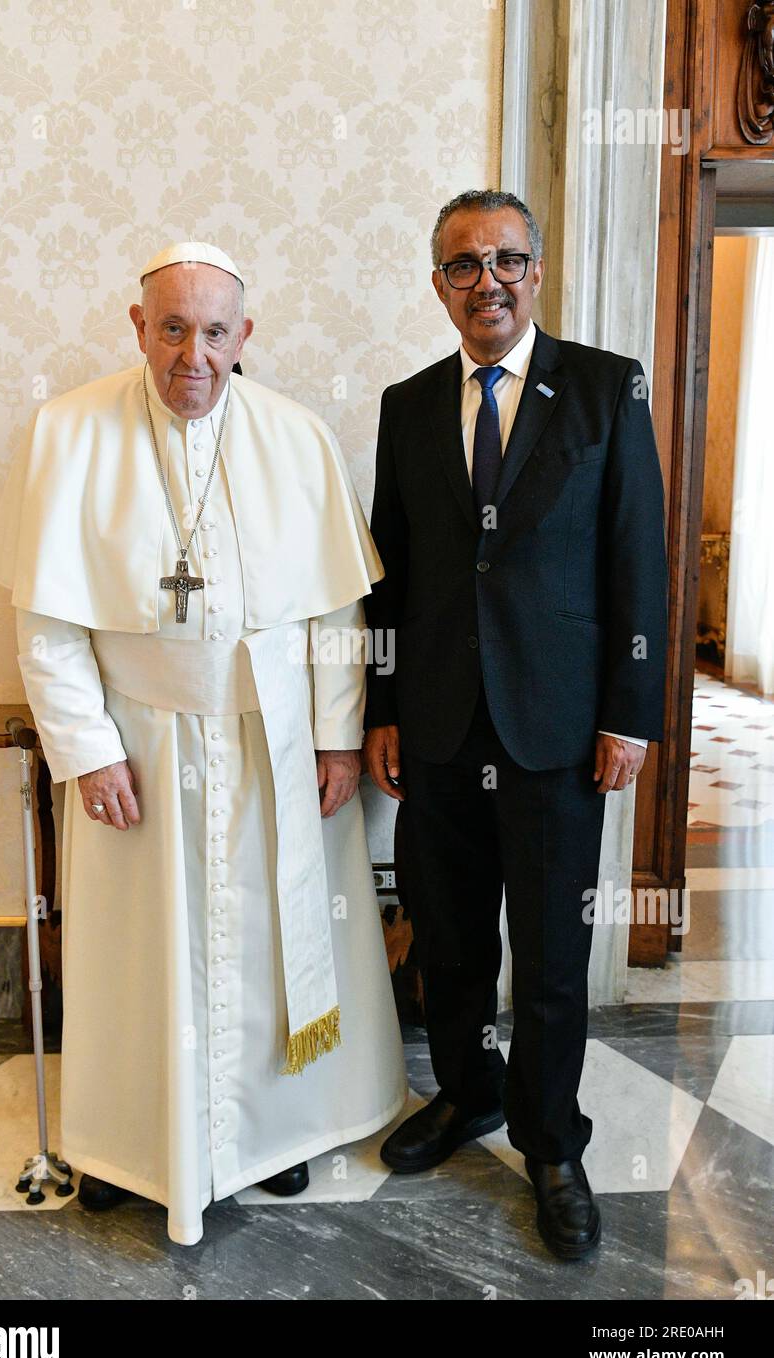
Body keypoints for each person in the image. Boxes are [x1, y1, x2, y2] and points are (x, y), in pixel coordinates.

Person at [0, 241, 407, 1247]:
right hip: (137, 745)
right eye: (171, 328)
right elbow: (47, 625)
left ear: (243, 336)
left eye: (214, 332)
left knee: (272, 934)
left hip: (273, 739)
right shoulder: (67, 432)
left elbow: (336, 611)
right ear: (138, 328)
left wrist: (338, 740)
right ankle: (133, 1139)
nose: (193, 356)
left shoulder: (296, 438)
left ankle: (275, 1130)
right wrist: (86, 750)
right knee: (140, 950)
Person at [363, 191, 667, 1260]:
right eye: (460, 264)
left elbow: (636, 556)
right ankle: (464, 1095)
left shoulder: (601, 385)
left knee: (544, 953)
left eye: (504, 259)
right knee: (447, 940)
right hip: (439, 726)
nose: (484, 279)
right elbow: (386, 578)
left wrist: (630, 714)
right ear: (435, 282)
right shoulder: (404, 406)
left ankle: (549, 1141)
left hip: (556, 728)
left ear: (535, 270)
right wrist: (383, 707)